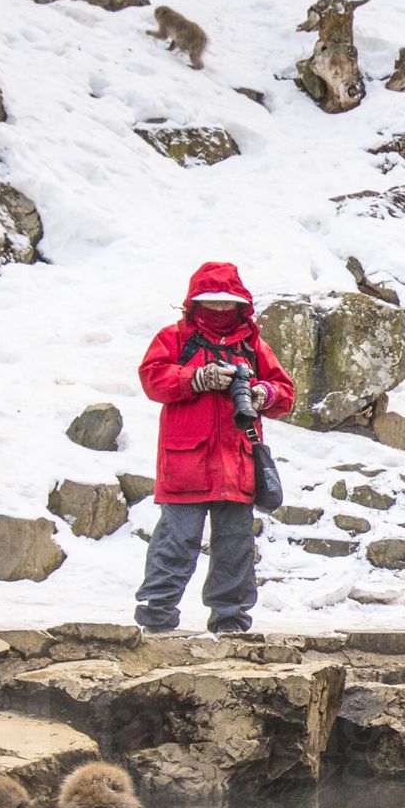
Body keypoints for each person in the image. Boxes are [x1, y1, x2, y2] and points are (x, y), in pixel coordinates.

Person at [134, 262, 294, 635]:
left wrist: (262, 393)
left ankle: (231, 622)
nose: (220, 310)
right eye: (212, 302)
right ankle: (156, 618)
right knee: (175, 542)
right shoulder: (174, 338)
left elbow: (284, 392)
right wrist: (197, 378)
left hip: (236, 465)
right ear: (195, 302)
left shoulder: (253, 346)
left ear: (240, 304)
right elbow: (152, 379)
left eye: (227, 303)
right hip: (185, 463)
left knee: (234, 548)